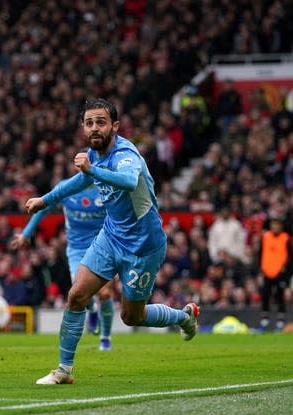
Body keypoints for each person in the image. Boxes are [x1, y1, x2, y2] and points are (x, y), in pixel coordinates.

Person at [25, 98, 199, 384]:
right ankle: (64, 370)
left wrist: (91, 171)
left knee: (132, 317)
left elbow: (129, 181)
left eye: (101, 122)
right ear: (83, 127)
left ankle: (183, 317)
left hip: (143, 247)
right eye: (89, 123)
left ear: (115, 126)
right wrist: (45, 201)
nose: (95, 128)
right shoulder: (93, 157)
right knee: (76, 296)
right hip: (110, 237)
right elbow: (77, 183)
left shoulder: (124, 154)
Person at [11, 181, 117, 351]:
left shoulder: (105, 189)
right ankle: (93, 309)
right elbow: (43, 207)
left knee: (104, 293)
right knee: (80, 292)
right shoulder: (68, 187)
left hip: (103, 246)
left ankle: (105, 337)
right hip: (76, 249)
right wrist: (26, 233)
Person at [257, 217, 293, 332]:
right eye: (273, 225)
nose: (275, 227)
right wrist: (260, 269)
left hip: (280, 272)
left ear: (281, 227)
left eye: (277, 225)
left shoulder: (285, 238)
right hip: (267, 271)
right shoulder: (265, 237)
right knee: (265, 294)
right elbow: (260, 253)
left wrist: (286, 269)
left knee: (280, 295)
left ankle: (280, 320)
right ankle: (264, 320)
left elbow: (291, 256)